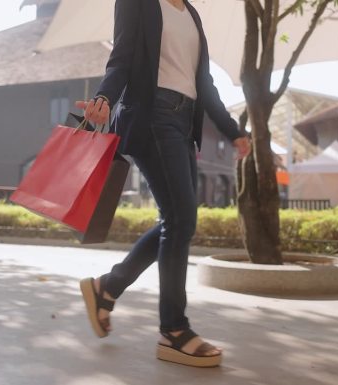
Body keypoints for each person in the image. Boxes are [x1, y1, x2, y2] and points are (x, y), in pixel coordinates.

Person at [76, 0, 251, 368]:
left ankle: (107, 287)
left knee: (177, 220)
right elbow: (121, 57)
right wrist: (104, 97)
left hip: (184, 123)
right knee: (181, 219)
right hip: (151, 115)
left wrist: (232, 130)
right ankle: (174, 330)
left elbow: (204, 83)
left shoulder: (190, 13)